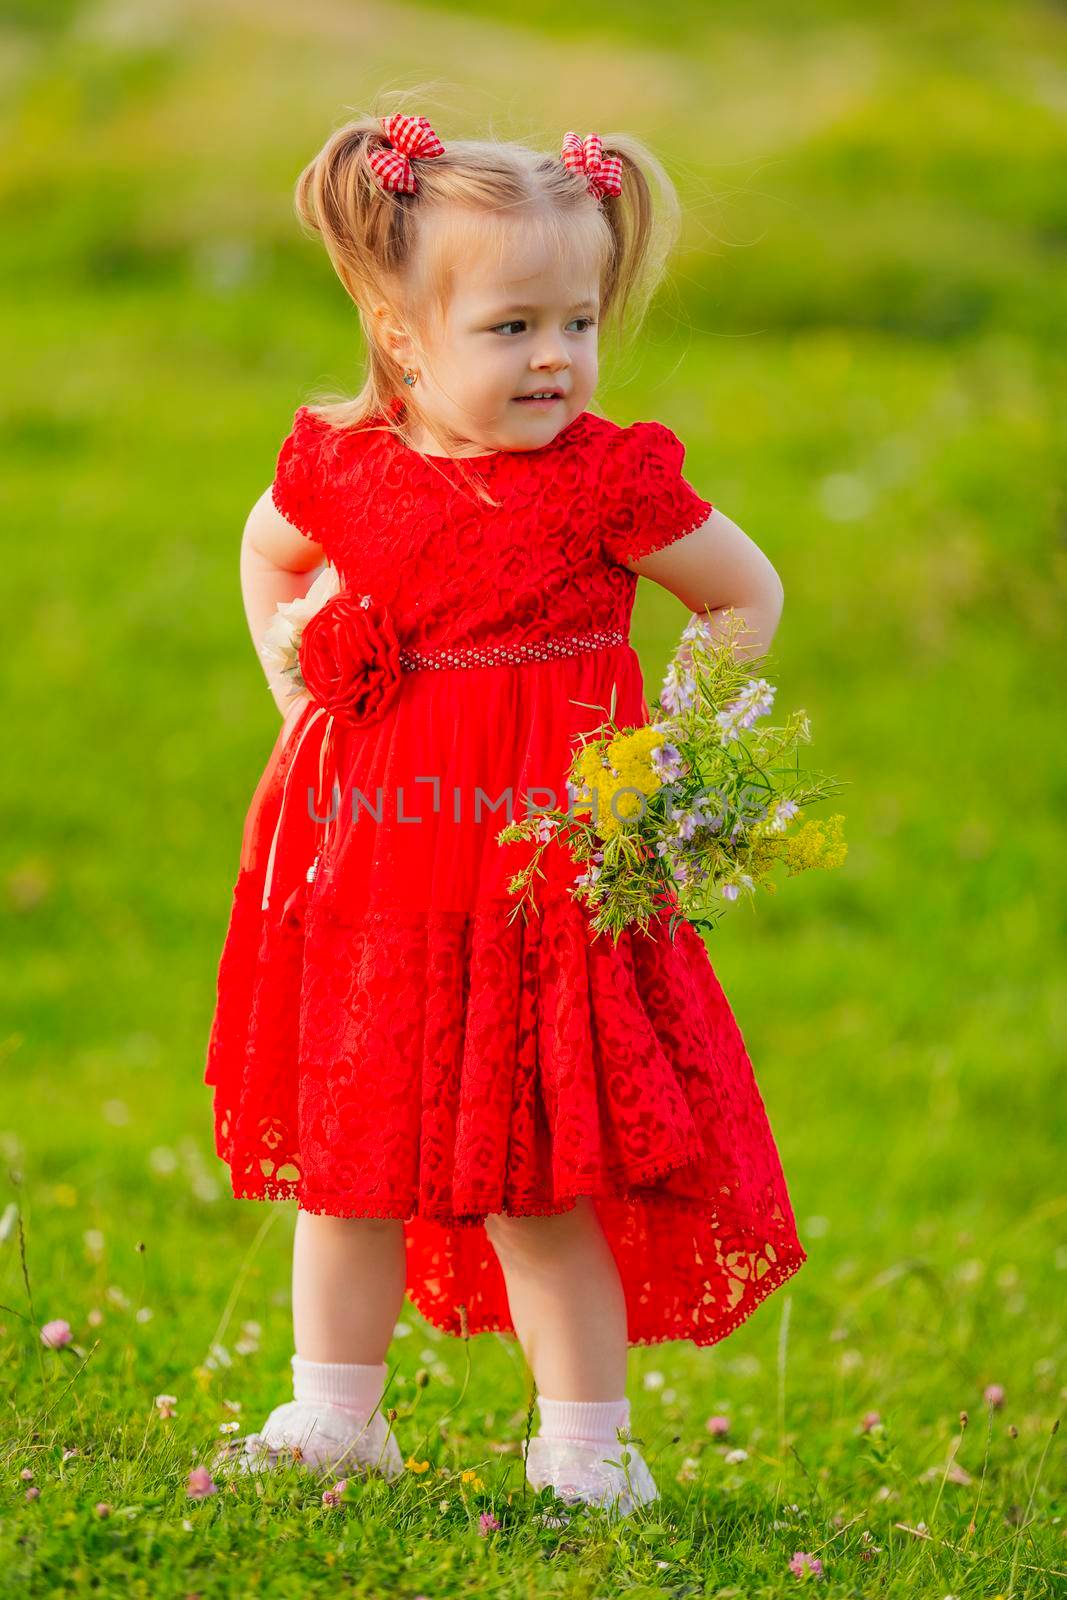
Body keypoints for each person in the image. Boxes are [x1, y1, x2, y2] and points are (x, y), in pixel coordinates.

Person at [204, 111, 807, 1518]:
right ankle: (333, 1414)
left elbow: (743, 595)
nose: (555, 357)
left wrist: (674, 754)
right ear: (402, 332)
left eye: (579, 320)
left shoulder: (605, 480)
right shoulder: (350, 467)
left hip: (547, 883)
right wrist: (296, 680)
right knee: (349, 1166)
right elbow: (267, 547)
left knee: (543, 1176)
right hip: (386, 873)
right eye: (513, 325)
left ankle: (587, 1441)